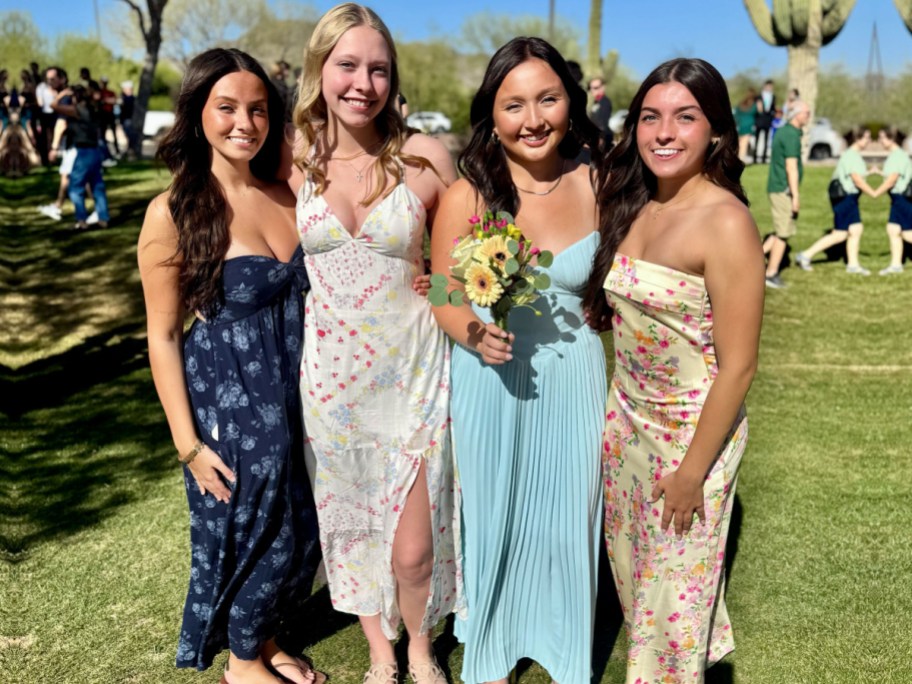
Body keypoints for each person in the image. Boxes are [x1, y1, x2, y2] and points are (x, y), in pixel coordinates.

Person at [137, 48, 323, 684]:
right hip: (231, 401)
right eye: (227, 108)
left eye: (258, 109)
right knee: (251, 526)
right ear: (197, 114)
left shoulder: (288, 193)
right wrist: (188, 445)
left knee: (300, 524)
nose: (245, 122)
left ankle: (264, 636)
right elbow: (162, 336)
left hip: (302, 390)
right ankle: (242, 663)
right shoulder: (174, 211)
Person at [287, 5, 457, 683]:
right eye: (348, 65)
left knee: (414, 549)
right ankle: (381, 654)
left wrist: (450, 303)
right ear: (319, 70)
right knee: (352, 532)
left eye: (378, 68)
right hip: (330, 385)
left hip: (413, 378)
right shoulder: (293, 156)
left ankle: (420, 646)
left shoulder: (426, 157)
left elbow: (457, 269)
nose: (364, 82)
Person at [431, 37, 604, 684]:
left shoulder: (600, 179)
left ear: (570, 102)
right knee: (495, 519)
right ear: (491, 114)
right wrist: (473, 333)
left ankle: (564, 649)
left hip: (575, 379)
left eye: (548, 99)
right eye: (514, 105)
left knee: (568, 521)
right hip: (490, 381)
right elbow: (446, 296)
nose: (533, 119)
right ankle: (493, 652)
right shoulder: (469, 193)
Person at [585, 57, 764, 684]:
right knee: (646, 598)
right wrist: (444, 284)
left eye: (685, 117)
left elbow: (739, 366)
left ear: (715, 130)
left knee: (669, 614)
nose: (664, 133)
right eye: (650, 117)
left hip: (692, 438)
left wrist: (692, 473)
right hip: (625, 424)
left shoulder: (726, 221)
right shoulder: (629, 201)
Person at [794, 127, 876, 274]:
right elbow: (856, 179)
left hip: (846, 198)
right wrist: (873, 192)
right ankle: (805, 255)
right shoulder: (852, 155)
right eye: (867, 137)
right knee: (841, 233)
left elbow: (854, 174)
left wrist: (870, 172)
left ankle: (852, 265)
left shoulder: (851, 155)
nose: (869, 141)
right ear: (857, 139)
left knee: (853, 231)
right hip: (846, 198)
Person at [761, 99, 810, 288]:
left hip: (778, 187)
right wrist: (796, 196)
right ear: (797, 114)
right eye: (806, 112)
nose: (808, 116)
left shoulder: (786, 132)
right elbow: (791, 167)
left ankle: (751, 262)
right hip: (783, 189)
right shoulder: (790, 135)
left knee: (781, 229)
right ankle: (771, 274)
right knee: (783, 233)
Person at [49, 83, 110, 230]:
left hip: (83, 152)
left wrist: (62, 94)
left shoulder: (77, 110)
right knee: (97, 186)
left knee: (75, 187)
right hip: (96, 151)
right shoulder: (94, 108)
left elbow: (53, 105)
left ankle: (81, 220)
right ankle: (103, 218)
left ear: (74, 97)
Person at [873, 127, 912, 275]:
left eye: (882, 137)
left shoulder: (897, 156)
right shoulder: (898, 155)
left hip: (901, 199)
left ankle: (896, 265)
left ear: (892, 139)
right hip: (898, 198)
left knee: (907, 233)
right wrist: (880, 172)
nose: (880, 141)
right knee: (894, 230)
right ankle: (896, 265)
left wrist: (876, 192)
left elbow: (892, 179)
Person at [588, 74, 613, 150]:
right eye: (590, 88)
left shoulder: (604, 102)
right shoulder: (597, 102)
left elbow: (603, 122)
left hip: (602, 140)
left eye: (596, 88)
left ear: (603, 87)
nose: (592, 90)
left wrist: (601, 139)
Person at [753, 79, 775, 164]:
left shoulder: (773, 96)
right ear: (765, 86)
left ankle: (764, 158)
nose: (770, 88)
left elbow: (773, 108)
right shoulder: (758, 96)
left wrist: (772, 115)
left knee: (766, 139)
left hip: (768, 120)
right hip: (759, 120)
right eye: (769, 86)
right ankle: (755, 157)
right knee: (757, 139)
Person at [733, 89, 756, 160]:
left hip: (740, 125)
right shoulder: (753, 105)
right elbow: (758, 112)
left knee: (740, 143)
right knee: (744, 144)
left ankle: (737, 158)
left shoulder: (740, 105)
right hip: (749, 126)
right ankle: (741, 159)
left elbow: (736, 115)